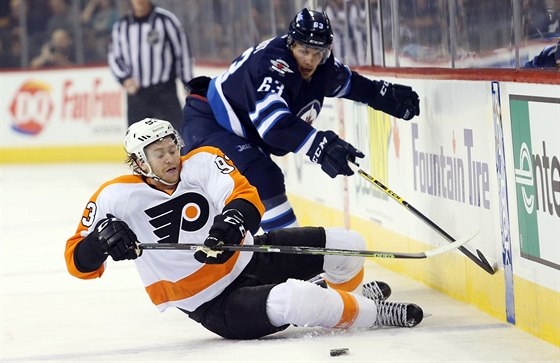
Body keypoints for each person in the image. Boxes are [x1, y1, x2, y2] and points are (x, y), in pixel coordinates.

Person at [64, 118, 423, 340]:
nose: (171, 157)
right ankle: (373, 315)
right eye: (159, 153)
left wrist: (229, 228)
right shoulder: (114, 196)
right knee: (297, 299)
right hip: (213, 303)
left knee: (348, 245)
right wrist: (99, 242)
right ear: (141, 162)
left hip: (249, 257)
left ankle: (349, 300)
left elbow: (245, 198)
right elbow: (78, 262)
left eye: (172, 147)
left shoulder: (202, 161)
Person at [180, 8, 420, 232]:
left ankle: (284, 257)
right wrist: (322, 147)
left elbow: (350, 85)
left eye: (317, 53)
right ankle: (295, 261)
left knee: (260, 179)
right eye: (303, 51)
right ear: (290, 43)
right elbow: (273, 126)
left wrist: (384, 94)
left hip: (237, 129)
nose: (310, 60)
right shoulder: (274, 65)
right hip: (209, 122)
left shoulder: (321, 65)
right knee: (262, 178)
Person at [108, 0, 193, 129]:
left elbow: (183, 53)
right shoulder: (121, 26)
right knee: (138, 142)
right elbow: (114, 57)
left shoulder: (166, 20)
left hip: (165, 91)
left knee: (175, 137)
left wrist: (188, 83)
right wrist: (125, 79)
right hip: (137, 95)